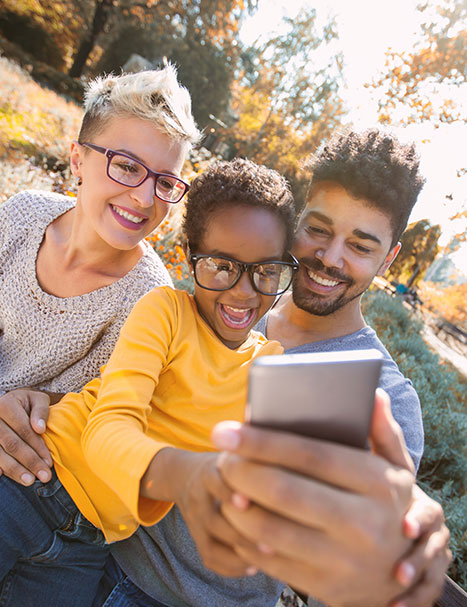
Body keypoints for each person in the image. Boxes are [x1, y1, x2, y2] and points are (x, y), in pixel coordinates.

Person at [0, 157, 300, 606]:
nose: (244, 291)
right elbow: (109, 426)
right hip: (37, 478)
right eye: (221, 265)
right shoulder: (165, 313)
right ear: (189, 256)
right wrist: (184, 474)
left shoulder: (272, 369)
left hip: (91, 541)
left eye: (266, 271)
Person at [212, 129, 451, 606]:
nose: (329, 258)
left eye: (361, 246)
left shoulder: (381, 396)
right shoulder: (235, 297)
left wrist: (398, 539)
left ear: (389, 258)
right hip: (98, 552)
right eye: (318, 230)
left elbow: (365, 534)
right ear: (297, 217)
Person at [0, 64, 200, 483]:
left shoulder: (148, 302)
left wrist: (35, 405)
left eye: (166, 182)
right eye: (127, 166)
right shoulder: (21, 217)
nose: (145, 198)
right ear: (78, 159)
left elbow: (95, 409)